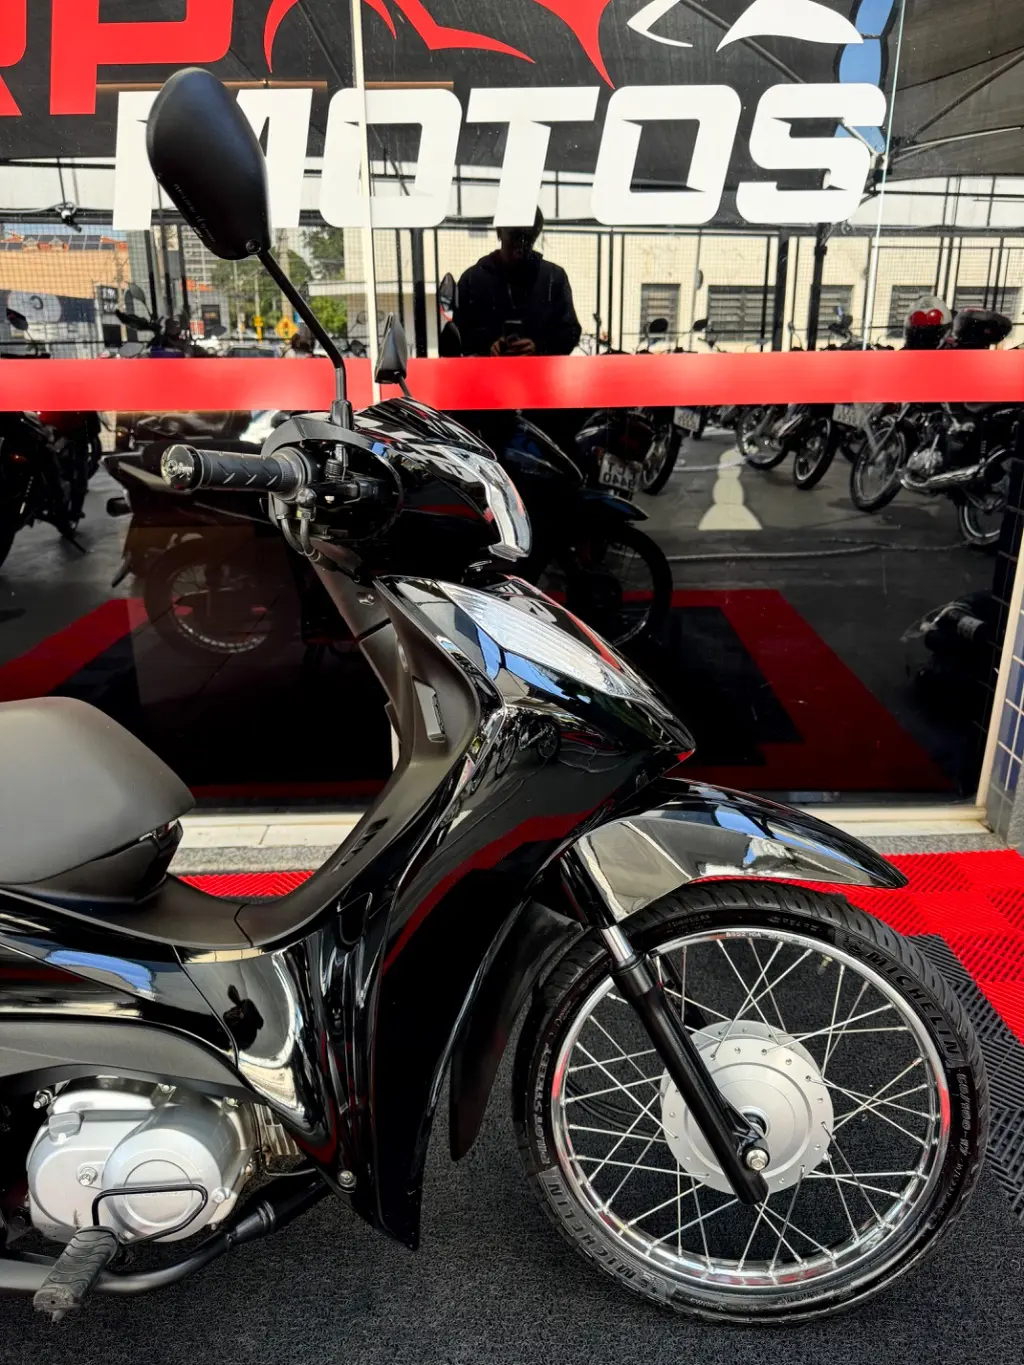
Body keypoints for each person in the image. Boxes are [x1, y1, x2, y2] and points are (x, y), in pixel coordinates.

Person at [453, 210, 581, 358]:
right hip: (538, 370)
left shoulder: (472, 279)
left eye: (528, 237)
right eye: (515, 235)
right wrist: (540, 348)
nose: (521, 244)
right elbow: (570, 332)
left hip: (490, 370)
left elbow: (459, 336)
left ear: (499, 231)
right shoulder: (553, 277)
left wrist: (488, 349)